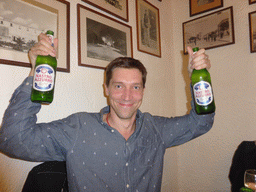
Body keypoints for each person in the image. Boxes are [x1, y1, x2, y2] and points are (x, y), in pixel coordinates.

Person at [0, 33, 214, 192]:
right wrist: (36, 71)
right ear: (107, 89)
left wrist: (197, 77)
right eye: (119, 86)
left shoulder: (156, 129)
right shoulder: (78, 128)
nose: (127, 96)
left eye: (135, 87)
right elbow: (12, 140)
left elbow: (201, 123)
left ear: (143, 91)